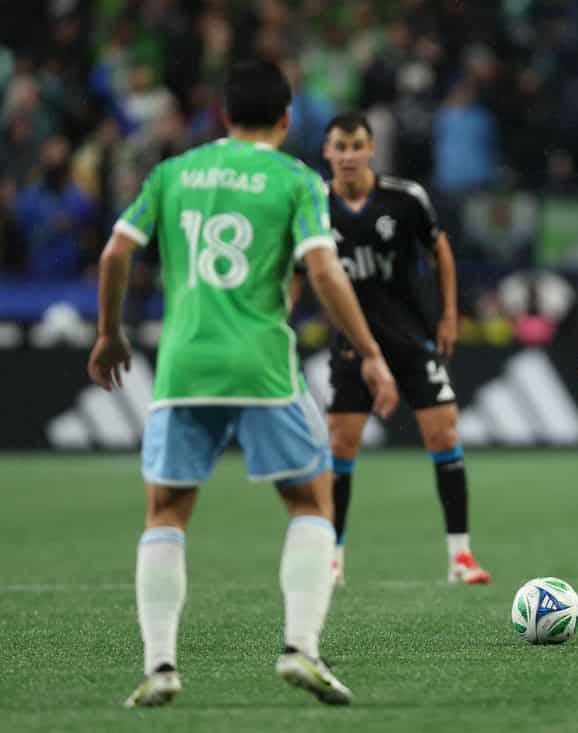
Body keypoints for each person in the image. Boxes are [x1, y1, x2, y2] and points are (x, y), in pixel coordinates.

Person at [87, 61, 399, 708]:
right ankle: (300, 647)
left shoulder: (172, 173)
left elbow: (115, 252)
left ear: (224, 116)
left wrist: (109, 334)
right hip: (259, 363)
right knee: (311, 503)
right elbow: (322, 270)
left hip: (182, 365)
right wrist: (368, 351)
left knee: (166, 511)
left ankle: (160, 665)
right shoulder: (294, 178)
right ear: (286, 120)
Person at [302, 113, 490, 586]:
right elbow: (298, 271)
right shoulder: (313, 206)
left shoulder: (405, 199)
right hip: (351, 344)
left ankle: (461, 557)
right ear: (327, 152)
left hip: (410, 337)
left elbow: (440, 249)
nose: (347, 155)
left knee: (444, 433)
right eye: (339, 146)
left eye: (356, 145)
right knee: (341, 444)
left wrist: (449, 315)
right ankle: (333, 559)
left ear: (371, 150)